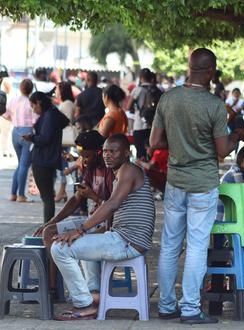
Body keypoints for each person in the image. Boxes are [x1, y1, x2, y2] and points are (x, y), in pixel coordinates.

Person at [150, 48, 244, 324]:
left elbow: (155, 142)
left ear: (189, 67)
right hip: (202, 182)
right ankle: (190, 308)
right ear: (211, 71)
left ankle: (167, 306)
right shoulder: (214, 105)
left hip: (175, 181)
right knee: (196, 246)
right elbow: (222, 150)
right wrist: (236, 135)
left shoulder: (168, 99)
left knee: (169, 244)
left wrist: (179, 145)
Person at [50, 134, 155, 320]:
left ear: (126, 153)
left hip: (127, 242)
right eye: (105, 151)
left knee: (59, 249)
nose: (107, 155)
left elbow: (112, 204)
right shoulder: (120, 173)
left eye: (113, 151)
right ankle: (94, 296)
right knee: (79, 240)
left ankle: (85, 303)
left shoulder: (129, 170)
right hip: (124, 238)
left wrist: (81, 229)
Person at [33, 131, 113, 292]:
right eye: (81, 156)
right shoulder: (89, 169)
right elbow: (75, 200)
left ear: (99, 153)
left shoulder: (110, 171)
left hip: (105, 224)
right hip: (90, 221)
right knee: (49, 231)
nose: (83, 160)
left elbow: (113, 209)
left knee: (80, 239)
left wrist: (93, 196)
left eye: (87, 156)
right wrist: (52, 221)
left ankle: (93, 290)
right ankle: (53, 287)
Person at [23, 92, 70, 222]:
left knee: (47, 198)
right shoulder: (53, 113)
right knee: (48, 196)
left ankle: (47, 226)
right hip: (49, 158)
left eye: (33, 106)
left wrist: (31, 138)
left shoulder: (49, 116)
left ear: (39, 103)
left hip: (43, 159)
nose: (33, 109)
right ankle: (48, 225)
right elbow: (64, 122)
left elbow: (45, 138)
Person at [2, 79, 37, 202]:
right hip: (27, 133)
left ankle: (13, 194)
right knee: (24, 165)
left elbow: (5, 115)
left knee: (20, 164)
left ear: (21, 88)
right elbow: (37, 119)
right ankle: (21, 195)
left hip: (15, 131)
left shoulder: (13, 100)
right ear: (31, 89)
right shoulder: (32, 102)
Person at [128, 68, 161, 159]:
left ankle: (141, 170)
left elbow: (128, 106)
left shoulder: (137, 89)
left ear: (141, 77)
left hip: (139, 125)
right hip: (153, 126)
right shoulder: (158, 90)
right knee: (150, 154)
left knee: (140, 154)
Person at [55, 81, 77, 203]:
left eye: (58, 89)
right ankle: (61, 191)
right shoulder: (66, 103)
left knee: (64, 164)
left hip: (64, 138)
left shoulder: (67, 104)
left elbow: (66, 121)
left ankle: (62, 190)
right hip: (63, 138)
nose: (56, 91)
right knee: (63, 164)